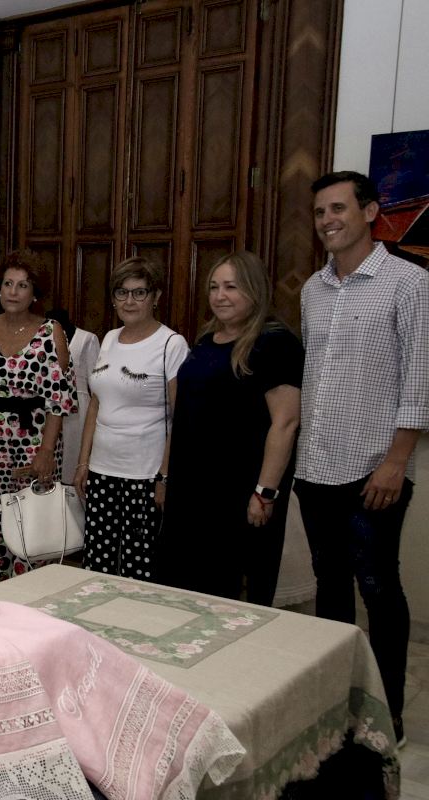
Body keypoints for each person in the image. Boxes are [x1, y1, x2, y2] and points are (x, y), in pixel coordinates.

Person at [295, 170, 428, 747]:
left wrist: (396, 461)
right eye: (320, 212)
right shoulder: (312, 289)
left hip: (375, 470)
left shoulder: (409, 283)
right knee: (330, 589)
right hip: (315, 467)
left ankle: (386, 714)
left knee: (378, 588)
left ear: (370, 212)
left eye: (338, 208)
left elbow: (419, 379)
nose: (327, 220)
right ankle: (334, 705)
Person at [160, 251, 302, 604]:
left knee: (227, 597)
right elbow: (183, 415)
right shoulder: (207, 340)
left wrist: (264, 492)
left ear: (254, 290)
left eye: (231, 287)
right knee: (182, 589)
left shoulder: (275, 343)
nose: (219, 296)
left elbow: (285, 423)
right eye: (213, 287)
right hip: (191, 490)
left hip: (239, 493)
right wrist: (165, 477)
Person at [0, 251, 77, 581]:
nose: (13, 291)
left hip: (37, 440)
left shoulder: (51, 331)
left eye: (22, 285)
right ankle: (3, 593)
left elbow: (59, 399)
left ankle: (35, 597)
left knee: (34, 524)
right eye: (7, 284)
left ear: (34, 293)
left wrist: (46, 452)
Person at [74, 256, 189, 580]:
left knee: (140, 570)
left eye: (139, 292)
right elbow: (96, 403)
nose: (129, 301)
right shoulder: (110, 338)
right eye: (122, 293)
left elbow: (180, 418)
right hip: (101, 471)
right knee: (97, 565)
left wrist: (165, 478)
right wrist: (83, 462)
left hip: (145, 475)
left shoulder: (171, 344)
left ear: (156, 296)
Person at [46, 308, 100, 485]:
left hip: (77, 408)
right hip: (46, 406)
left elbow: (96, 382)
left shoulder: (87, 339)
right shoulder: (39, 336)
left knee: (72, 457)